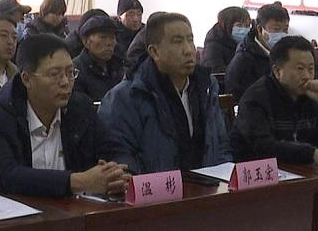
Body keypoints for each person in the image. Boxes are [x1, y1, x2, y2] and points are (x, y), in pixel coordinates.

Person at [0, 34, 128, 197]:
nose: (65, 82)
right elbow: (5, 175)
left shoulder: (81, 108)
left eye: (70, 73)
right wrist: (76, 181)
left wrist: (118, 173)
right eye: (54, 74)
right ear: (26, 79)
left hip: (73, 208)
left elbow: (114, 149)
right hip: (16, 209)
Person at [99, 13, 231, 173]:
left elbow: (221, 145)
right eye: (177, 41)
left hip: (208, 184)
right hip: (158, 187)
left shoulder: (207, 87)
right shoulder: (126, 97)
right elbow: (120, 157)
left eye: (190, 40)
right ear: (154, 51)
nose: (189, 50)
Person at [231, 36, 318, 168]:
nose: (307, 76)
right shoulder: (256, 98)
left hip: (304, 171)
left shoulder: (312, 95)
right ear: (277, 71)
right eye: (300, 69)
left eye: (311, 69)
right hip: (262, 172)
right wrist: (310, 154)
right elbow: (263, 146)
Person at [225, 4, 289, 97]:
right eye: (276, 29)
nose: (282, 34)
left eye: (285, 30)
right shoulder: (244, 59)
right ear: (260, 29)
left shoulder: (287, 53)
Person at [72, 14, 125, 102]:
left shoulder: (120, 65)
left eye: (112, 38)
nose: (109, 43)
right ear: (86, 42)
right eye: (103, 37)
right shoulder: (76, 70)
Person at [202, 6, 251, 75]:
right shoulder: (213, 45)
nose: (244, 30)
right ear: (226, 25)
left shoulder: (249, 44)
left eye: (247, 26)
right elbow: (216, 72)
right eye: (239, 25)